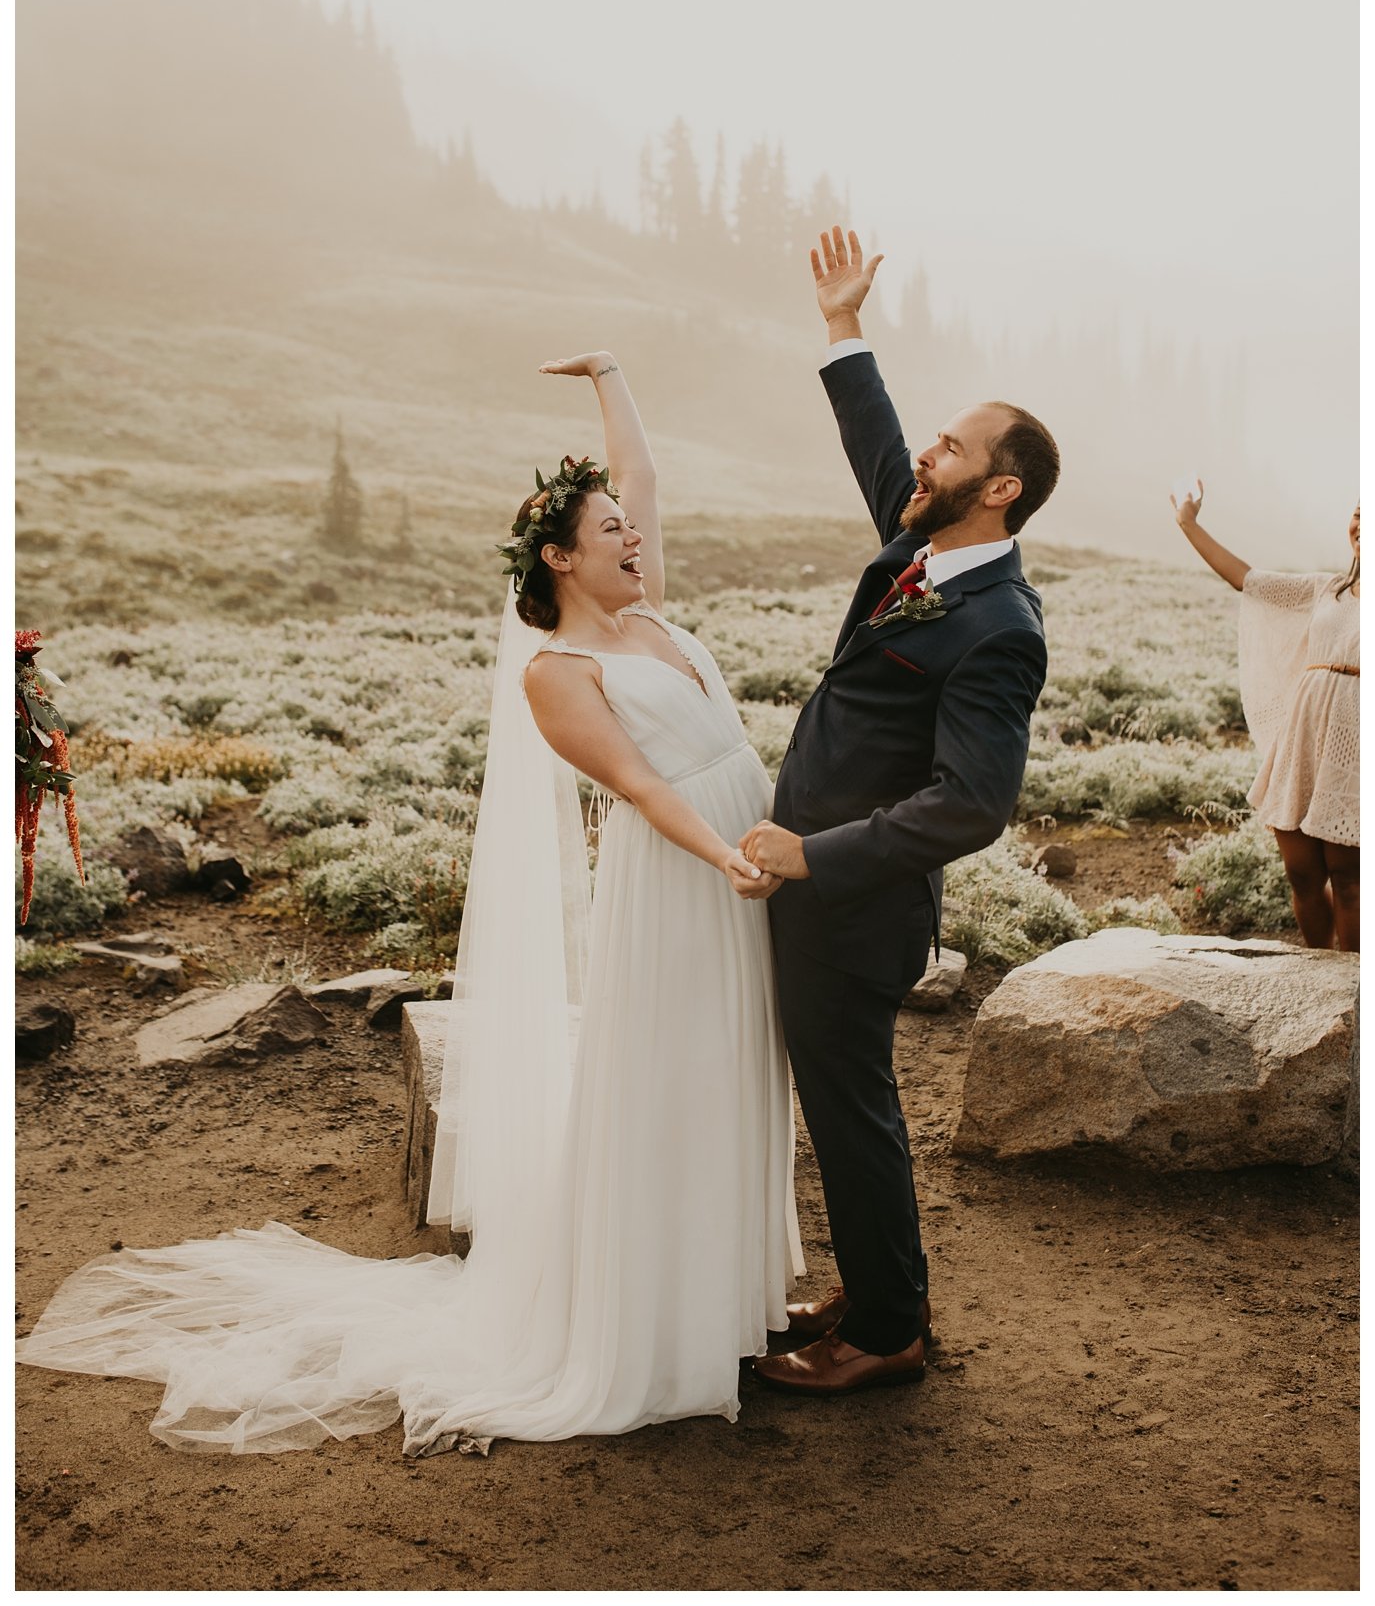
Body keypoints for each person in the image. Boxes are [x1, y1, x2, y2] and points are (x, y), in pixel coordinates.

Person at [16, 351, 803, 1456]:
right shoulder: (558, 669)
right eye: (611, 528)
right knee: (675, 1078)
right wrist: (724, 853)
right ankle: (655, 1326)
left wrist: (610, 378)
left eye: (631, 525)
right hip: (682, 878)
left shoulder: (650, 611)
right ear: (560, 556)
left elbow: (646, 474)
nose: (634, 536)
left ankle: (725, 1300)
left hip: (733, 865)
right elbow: (638, 783)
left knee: (737, 1068)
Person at [742, 227, 1060, 1396]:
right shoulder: (925, 545)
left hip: (852, 900)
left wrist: (811, 855)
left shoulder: (999, 624)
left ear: (1002, 486)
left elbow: (973, 802)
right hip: (824, 889)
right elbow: (878, 444)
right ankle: (884, 1286)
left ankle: (884, 1332)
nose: (925, 455)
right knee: (843, 1104)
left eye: (952, 446)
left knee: (852, 1108)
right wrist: (841, 327)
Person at [1171, 484, 1359, 952]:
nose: (1362, 525)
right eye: (1359, 514)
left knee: (1350, 877)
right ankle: (1317, 966)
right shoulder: (1326, 589)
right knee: (1302, 872)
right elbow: (1246, 579)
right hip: (1305, 738)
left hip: (1357, 745)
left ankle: (1353, 980)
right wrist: (1188, 523)